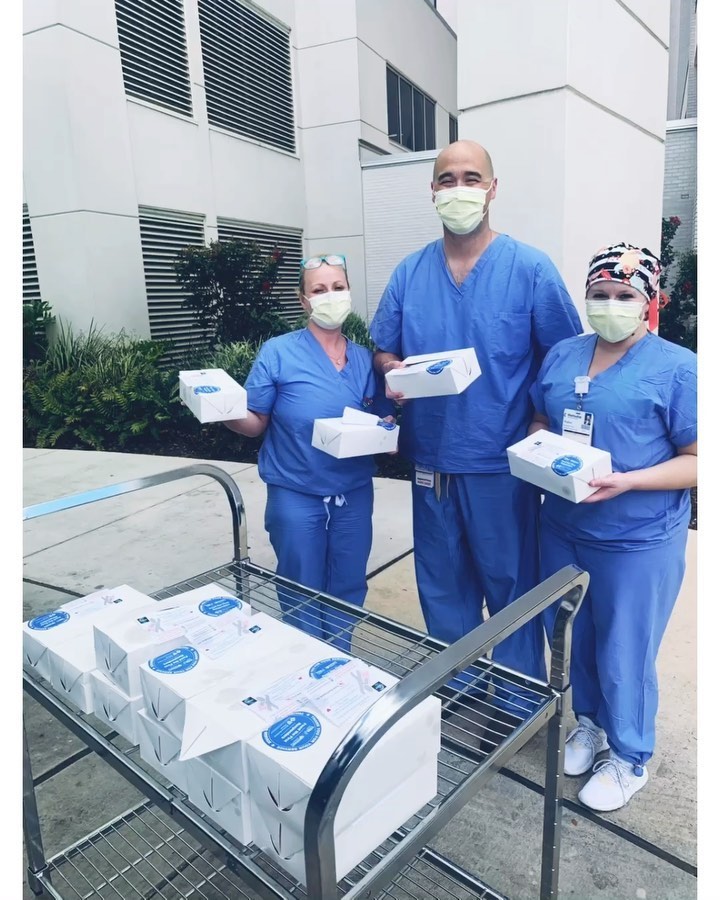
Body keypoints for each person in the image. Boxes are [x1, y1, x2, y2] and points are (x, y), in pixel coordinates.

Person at [369, 139, 583, 716]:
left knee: (510, 584)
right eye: (447, 179)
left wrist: (541, 424)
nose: (458, 189)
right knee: (442, 584)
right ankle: (456, 686)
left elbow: (564, 359)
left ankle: (517, 701)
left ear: (492, 188)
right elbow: (384, 348)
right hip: (432, 459)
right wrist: (394, 372)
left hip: (500, 463)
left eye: (471, 177)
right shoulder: (410, 273)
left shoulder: (529, 269)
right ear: (432, 191)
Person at [528, 242, 697, 812]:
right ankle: (591, 724)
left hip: (637, 537)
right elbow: (542, 416)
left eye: (624, 295)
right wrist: (538, 450)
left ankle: (629, 756)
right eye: (599, 294)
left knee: (626, 647)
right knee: (577, 636)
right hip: (565, 525)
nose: (609, 304)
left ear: (650, 302)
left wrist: (629, 481)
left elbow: (699, 460)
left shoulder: (678, 368)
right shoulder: (563, 355)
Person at [225, 254, 394, 652]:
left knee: (349, 580)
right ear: (303, 300)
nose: (330, 296)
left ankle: (339, 655)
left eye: (338, 287)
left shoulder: (365, 359)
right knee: (300, 581)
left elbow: (384, 420)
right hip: (296, 491)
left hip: (353, 491)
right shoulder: (278, 352)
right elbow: (256, 421)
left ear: (349, 291)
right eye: (319, 290)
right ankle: (306, 659)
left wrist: (387, 429)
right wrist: (222, 411)